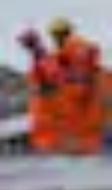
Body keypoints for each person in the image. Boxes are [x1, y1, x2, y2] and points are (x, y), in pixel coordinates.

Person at [48, 18, 104, 154]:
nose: (54, 40)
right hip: (91, 88)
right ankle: (90, 147)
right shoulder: (84, 45)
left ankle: (80, 149)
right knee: (89, 121)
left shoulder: (66, 48)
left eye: (54, 36)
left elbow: (54, 68)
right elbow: (95, 59)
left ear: (59, 34)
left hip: (74, 90)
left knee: (73, 122)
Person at [20, 29, 62, 153]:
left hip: (46, 102)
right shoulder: (38, 56)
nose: (23, 47)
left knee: (46, 130)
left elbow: (53, 78)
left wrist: (42, 90)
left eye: (25, 43)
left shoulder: (41, 56)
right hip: (41, 103)